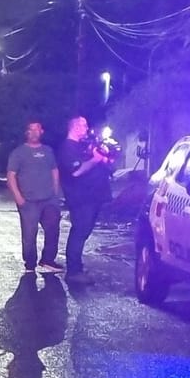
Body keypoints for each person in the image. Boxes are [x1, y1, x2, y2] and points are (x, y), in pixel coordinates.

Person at [57, 116, 113, 275]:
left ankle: (77, 267)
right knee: (79, 231)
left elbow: (103, 164)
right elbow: (76, 172)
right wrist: (95, 160)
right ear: (75, 127)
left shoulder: (84, 146)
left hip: (93, 197)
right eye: (84, 125)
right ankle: (74, 270)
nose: (87, 128)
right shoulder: (67, 148)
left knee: (84, 231)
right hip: (81, 198)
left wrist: (105, 157)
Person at [5, 120, 62, 273]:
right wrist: (18, 197)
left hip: (49, 199)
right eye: (31, 129)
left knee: (53, 230)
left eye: (38, 129)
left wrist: (55, 191)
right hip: (29, 201)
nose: (35, 132)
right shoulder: (18, 153)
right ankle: (30, 263)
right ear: (27, 132)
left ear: (42, 132)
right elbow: (11, 175)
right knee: (29, 234)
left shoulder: (48, 151)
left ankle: (48, 260)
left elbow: (54, 170)